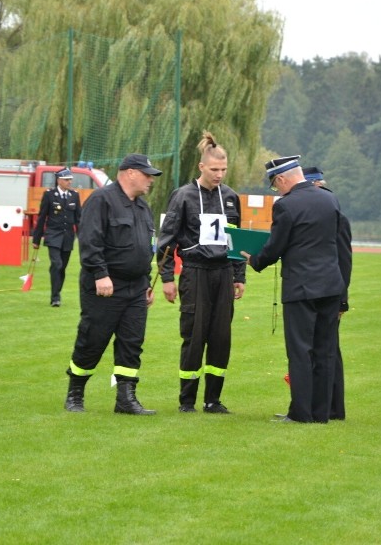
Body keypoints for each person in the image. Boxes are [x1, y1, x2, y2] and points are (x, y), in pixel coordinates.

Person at [241, 155, 348, 423]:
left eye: (275, 186)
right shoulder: (329, 199)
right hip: (331, 286)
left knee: (300, 350)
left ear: (280, 179)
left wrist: (254, 259)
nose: (277, 191)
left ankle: (301, 412)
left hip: (301, 287)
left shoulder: (286, 206)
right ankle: (321, 413)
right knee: (325, 350)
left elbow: (276, 247)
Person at [63, 153, 162, 415]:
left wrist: (145, 283)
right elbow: (90, 240)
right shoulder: (101, 200)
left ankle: (126, 399)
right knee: (92, 339)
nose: (151, 180)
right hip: (105, 287)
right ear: (130, 173)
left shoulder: (142, 207)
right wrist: (99, 274)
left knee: (132, 343)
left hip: (136, 288)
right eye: (146, 174)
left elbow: (145, 248)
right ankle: (75, 393)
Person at [156, 131, 245, 414]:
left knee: (221, 338)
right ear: (202, 167)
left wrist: (239, 276)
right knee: (194, 335)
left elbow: (236, 241)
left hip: (223, 273)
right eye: (215, 169)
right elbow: (167, 241)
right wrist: (168, 279)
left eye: (224, 170)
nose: (219, 175)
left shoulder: (231, 197)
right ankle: (187, 401)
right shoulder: (183, 196)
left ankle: (213, 400)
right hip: (195, 273)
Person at [303, 165, 352, 420]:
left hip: (331, 292)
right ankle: (325, 405)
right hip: (325, 290)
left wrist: (342, 299)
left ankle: (332, 406)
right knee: (324, 347)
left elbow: (344, 258)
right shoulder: (328, 208)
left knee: (328, 348)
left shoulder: (334, 214)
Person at [32, 168, 82, 307]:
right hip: (53, 235)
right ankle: (55, 297)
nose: (69, 182)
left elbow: (78, 219)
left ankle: (57, 291)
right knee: (57, 264)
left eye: (70, 179)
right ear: (59, 180)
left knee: (62, 268)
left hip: (67, 237)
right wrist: (36, 239)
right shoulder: (49, 195)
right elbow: (42, 217)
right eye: (66, 179)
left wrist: (83, 238)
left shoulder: (74, 195)